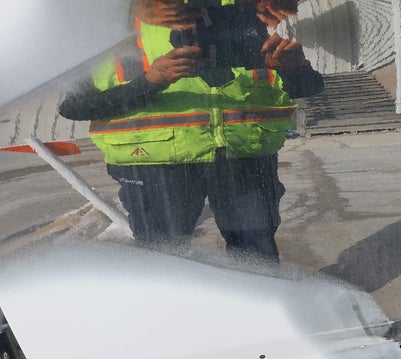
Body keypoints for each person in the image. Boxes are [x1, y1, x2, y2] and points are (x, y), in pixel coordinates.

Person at [59, 0, 323, 262]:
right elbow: (76, 107)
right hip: (153, 160)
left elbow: (306, 86)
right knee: (163, 263)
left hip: (245, 152)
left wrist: (294, 69)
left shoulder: (250, 7)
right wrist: (151, 82)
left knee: (258, 260)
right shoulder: (105, 16)